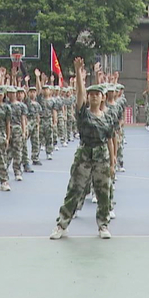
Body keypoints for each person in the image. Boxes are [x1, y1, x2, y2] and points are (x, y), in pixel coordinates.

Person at [50, 58, 116, 240]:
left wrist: (112, 161)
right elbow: (79, 94)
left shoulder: (108, 118)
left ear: (102, 97)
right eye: (91, 94)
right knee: (74, 190)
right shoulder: (83, 114)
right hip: (85, 155)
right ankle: (62, 224)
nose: (94, 96)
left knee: (104, 192)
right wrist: (79, 73)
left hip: (102, 156)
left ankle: (103, 224)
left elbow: (110, 139)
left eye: (97, 94)